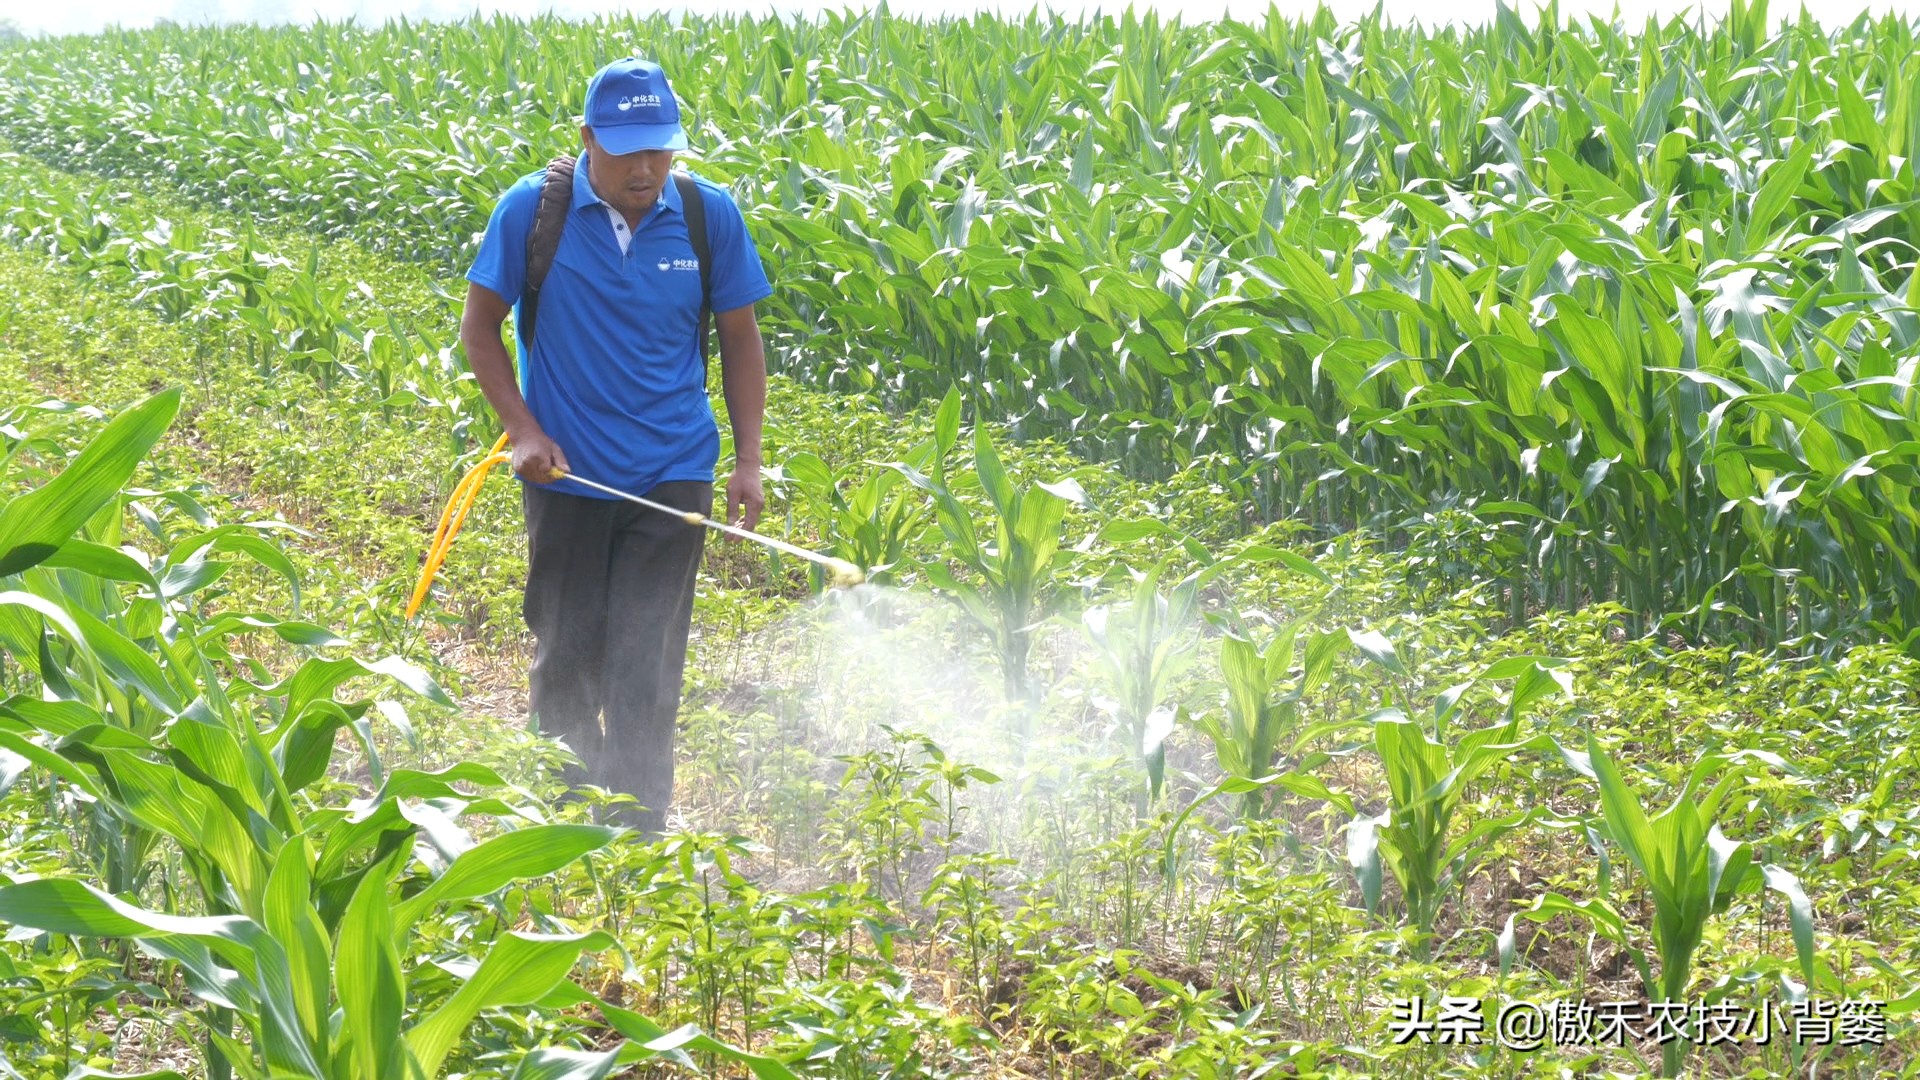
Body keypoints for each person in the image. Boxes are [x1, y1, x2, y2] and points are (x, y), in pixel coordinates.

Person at [460, 57, 773, 835]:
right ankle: (563, 822)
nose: (646, 168)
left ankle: (636, 831)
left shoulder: (708, 216)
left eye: (660, 148)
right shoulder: (534, 213)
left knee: (646, 661)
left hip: (673, 475)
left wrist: (747, 458)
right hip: (566, 477)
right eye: (629, 149)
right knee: (568, 653)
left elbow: (740, 338)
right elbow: (479, 329)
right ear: (587, 138)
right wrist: (524, 432)